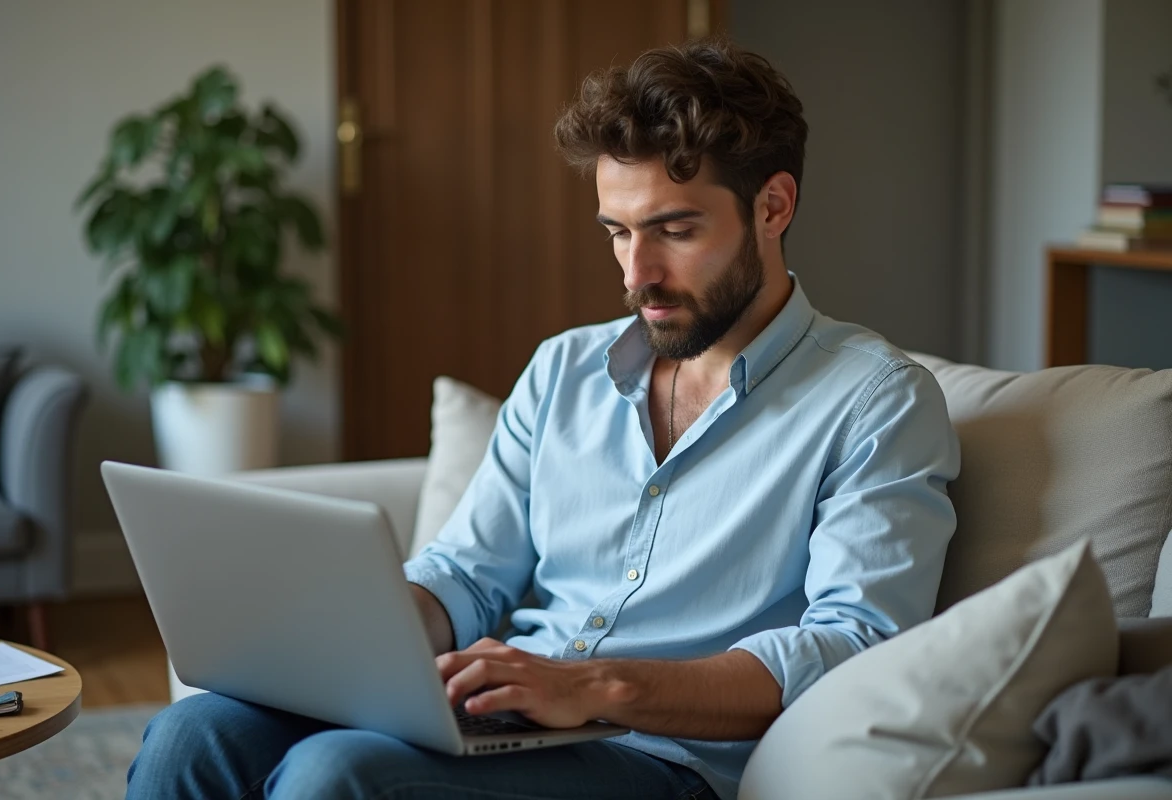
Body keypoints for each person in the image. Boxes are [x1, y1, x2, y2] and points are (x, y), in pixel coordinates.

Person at [127, 37, 960, 800]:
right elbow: (468, 570)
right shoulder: (565, 368)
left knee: (335, 774)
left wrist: (596, 687)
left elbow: (854, 646)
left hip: (665, 761)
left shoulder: (875, 401)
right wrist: (358, 637)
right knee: (192, 735)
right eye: (617, 233)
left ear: (773, 206)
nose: (638, 274)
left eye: (674, 230)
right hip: (513, 726)